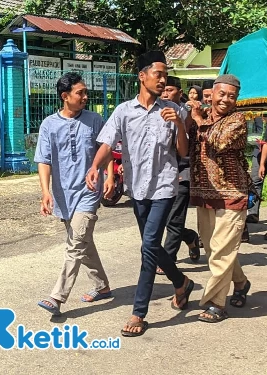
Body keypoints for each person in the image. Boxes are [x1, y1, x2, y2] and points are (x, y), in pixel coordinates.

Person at [86, 51, 194, 337]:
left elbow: (183, 152)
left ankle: (139, 312)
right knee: (151, 245)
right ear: (142, 76)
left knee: (148, 246)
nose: (163, 79)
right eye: (158, 73)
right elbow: (108, 143)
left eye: (165, 74)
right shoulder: (123, 111)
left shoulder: (174, 110)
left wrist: (180, 124)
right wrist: (96, 167)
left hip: (164, 185)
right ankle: (181, 281)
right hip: (138, 188)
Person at [35, 72, 113, 316]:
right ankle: (102, 286)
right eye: (80, 93)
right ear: (65, 96)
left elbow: (107, 149)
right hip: (63, 194)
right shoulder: (49, 124)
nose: (85, 97)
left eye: (85, 92)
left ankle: (57, 297)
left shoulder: (94, 119)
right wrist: (45, 192)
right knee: (83, 242)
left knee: (75, 243)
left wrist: (109, 176)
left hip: (89, 191)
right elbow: (44, 160)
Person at [186, 74, 251, 323]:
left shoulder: (238, 119)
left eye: (231, 96)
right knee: (214, 248)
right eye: (221, 94)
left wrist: (199, 120)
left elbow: (218, 141)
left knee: (221, 252)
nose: (226, 99)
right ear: (212, 94)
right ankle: (241, 283)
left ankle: (216, 303)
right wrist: (191, 120)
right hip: (204, 193)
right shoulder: (199, 116)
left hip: (232, 194)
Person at [159, 76, 201, 270]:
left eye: (170, 90)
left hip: (182, 170)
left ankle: (168, 258)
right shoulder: (157, 112)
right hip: (160, 174)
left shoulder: (186, 113)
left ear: (180, 93)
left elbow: (189, 134)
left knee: (174, 218)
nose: (165, 93)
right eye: (163, 90)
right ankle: (190, 236)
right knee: (164, 219)